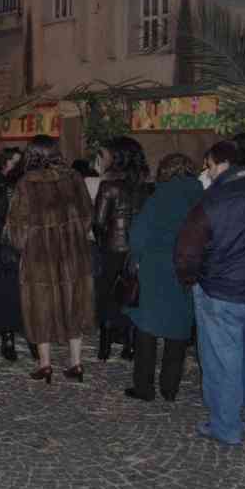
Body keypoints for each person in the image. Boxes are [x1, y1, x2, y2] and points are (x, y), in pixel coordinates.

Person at [175, 140, 245, 446]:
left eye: (208, 165)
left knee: (223, 362)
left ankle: (226, 426)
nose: (206, 172)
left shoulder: (212, 200)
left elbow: (186, 252)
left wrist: (190, 280)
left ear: (222, 164)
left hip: (221, 294)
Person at [6, 135, 95, 384]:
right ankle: (76, 363)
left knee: (40, 306)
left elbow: (17, 227)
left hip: (39, 256)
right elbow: (88, 214)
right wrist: (74, 234)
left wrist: (24, 245)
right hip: (72, 253)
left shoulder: (26, 183)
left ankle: (45, 365)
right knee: (74, 303)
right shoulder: (74, 178)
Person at [123, 154, 203, 402]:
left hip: (156, 268)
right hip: (187, 268)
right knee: (178, 328)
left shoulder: (161, 195)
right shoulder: (201, 196)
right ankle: (170, 388)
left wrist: (135, 257)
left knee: (147, 327)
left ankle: (144, 387)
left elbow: (138, 234)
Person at [93, 136, 152, 361]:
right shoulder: (148, 187)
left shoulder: (109, 186)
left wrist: (102, 240)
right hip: (139, 250)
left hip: (113, 247)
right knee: (134, 295)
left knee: (108, 296)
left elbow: (98, 221)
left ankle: (105, 347)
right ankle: (129, 345)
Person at [0, 147, 28, 362]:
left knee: (7, 296)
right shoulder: (28, 189)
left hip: (8, 247)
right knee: (20, 294)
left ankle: (9, 339)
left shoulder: (4, 189)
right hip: (22, 248)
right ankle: (25, 339)